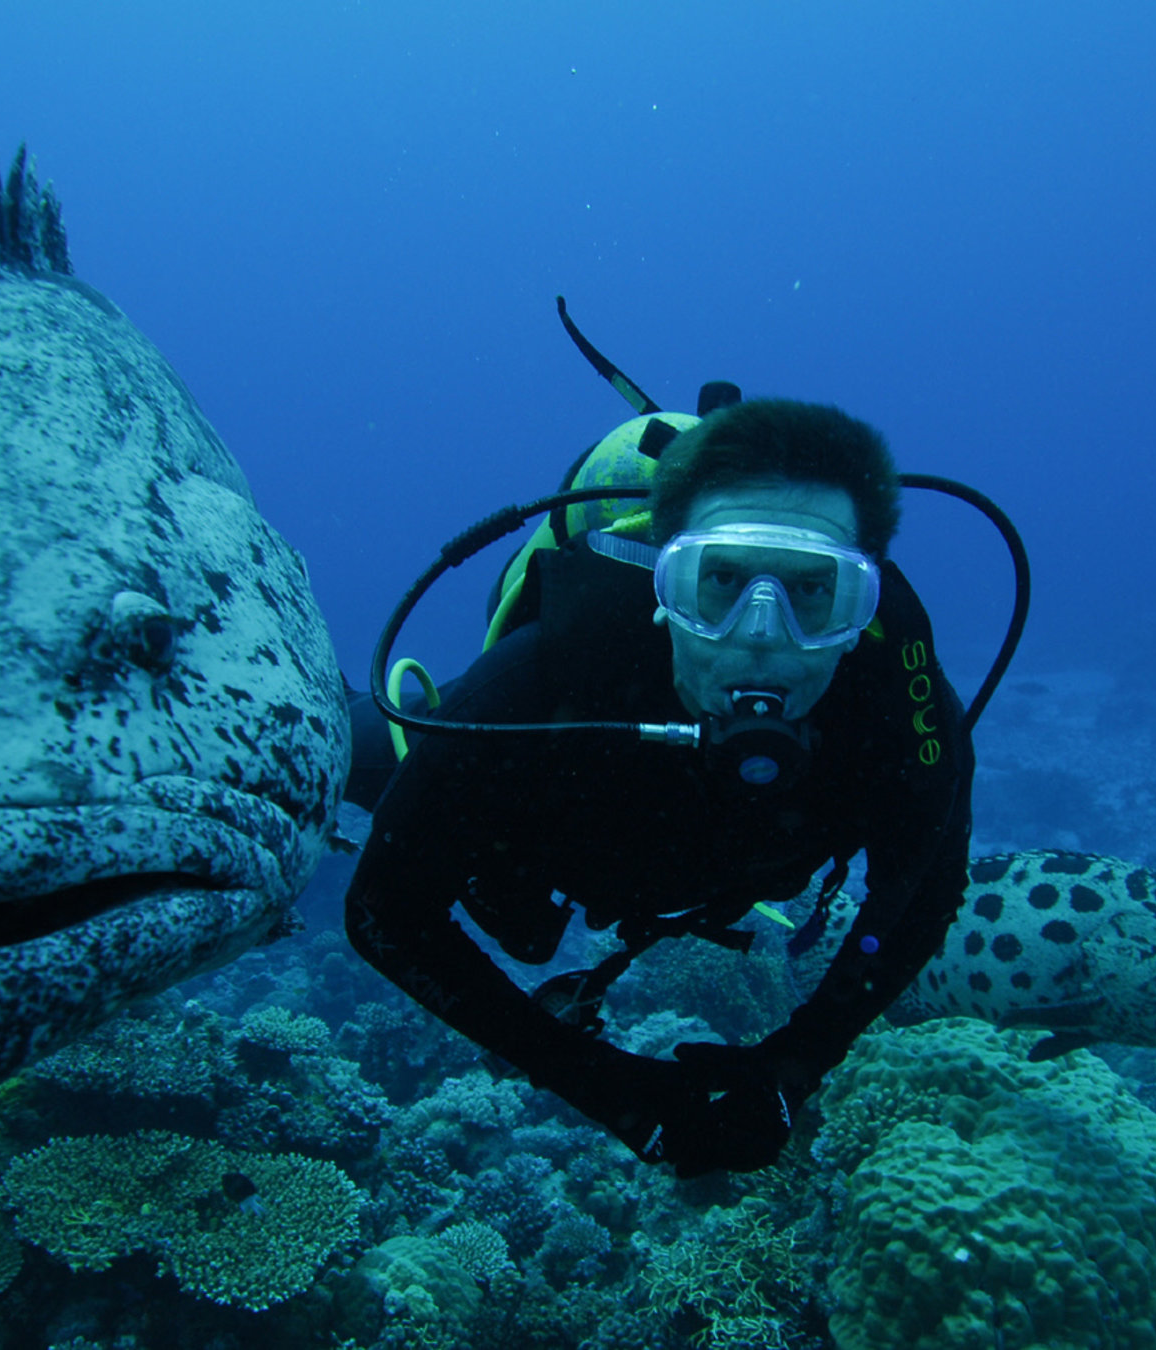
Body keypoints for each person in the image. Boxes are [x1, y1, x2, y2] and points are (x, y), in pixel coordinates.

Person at [343, 398, 977, 1177]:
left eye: (815, 592)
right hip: (534, 841)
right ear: (662, 579)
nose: (760, 635)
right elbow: (383, 912)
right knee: (343, 751)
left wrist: (796, 1063)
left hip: (684, 867)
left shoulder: (905, 714)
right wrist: (607, 1085)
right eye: (718, 582)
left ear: (864, 606)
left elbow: (920, 894)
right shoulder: (540, 684)